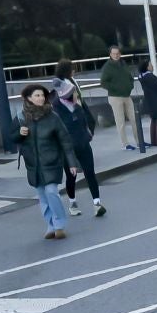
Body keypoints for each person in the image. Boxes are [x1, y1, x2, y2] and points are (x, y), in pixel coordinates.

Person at [12, 83, 80, 241]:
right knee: (42, 196)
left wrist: (72, 163)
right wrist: (19, 134)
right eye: (37, 95)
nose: (41, 98)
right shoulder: (21, 117)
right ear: (29, 98)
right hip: (33, 164)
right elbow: (10, 137)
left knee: (51, 192)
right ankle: (50, 225)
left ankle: (59, 225)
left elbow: (65, 141)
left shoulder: (52, 117)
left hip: (51, 162)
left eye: (42, 95)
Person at [53, 79, 104, 218]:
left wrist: (88, 135)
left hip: (83, 144)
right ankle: (72, 202)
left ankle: (97, 203)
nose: (77, 94)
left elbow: (85, 122)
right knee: (71, 176)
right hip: (68, 150)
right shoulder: (56, 110)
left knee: (90, 172)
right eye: (74, 92)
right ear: (68, 95)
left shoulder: (78, 107)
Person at [99, 46, 138, 151]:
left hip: (127, 96)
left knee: (134, 119)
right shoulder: (107, 67)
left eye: (117, 53)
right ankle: (125, 144)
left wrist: (130, 86)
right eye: (113, 53)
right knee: (120, 122)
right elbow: (103, 83)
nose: (116, 55)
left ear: (120, 54)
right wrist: (116, 89)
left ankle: (139, 141)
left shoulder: (123, 64)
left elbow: (130, 77)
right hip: (115, 97)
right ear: (110, 55)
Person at [137, 60, 157, 147]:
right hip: (156, 100)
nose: (152, 66)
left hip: (148, 100)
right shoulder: (150, 76)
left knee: (154, 120)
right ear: (147, 67)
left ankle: (154, 140)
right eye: (150, 65)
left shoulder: (141, 76)